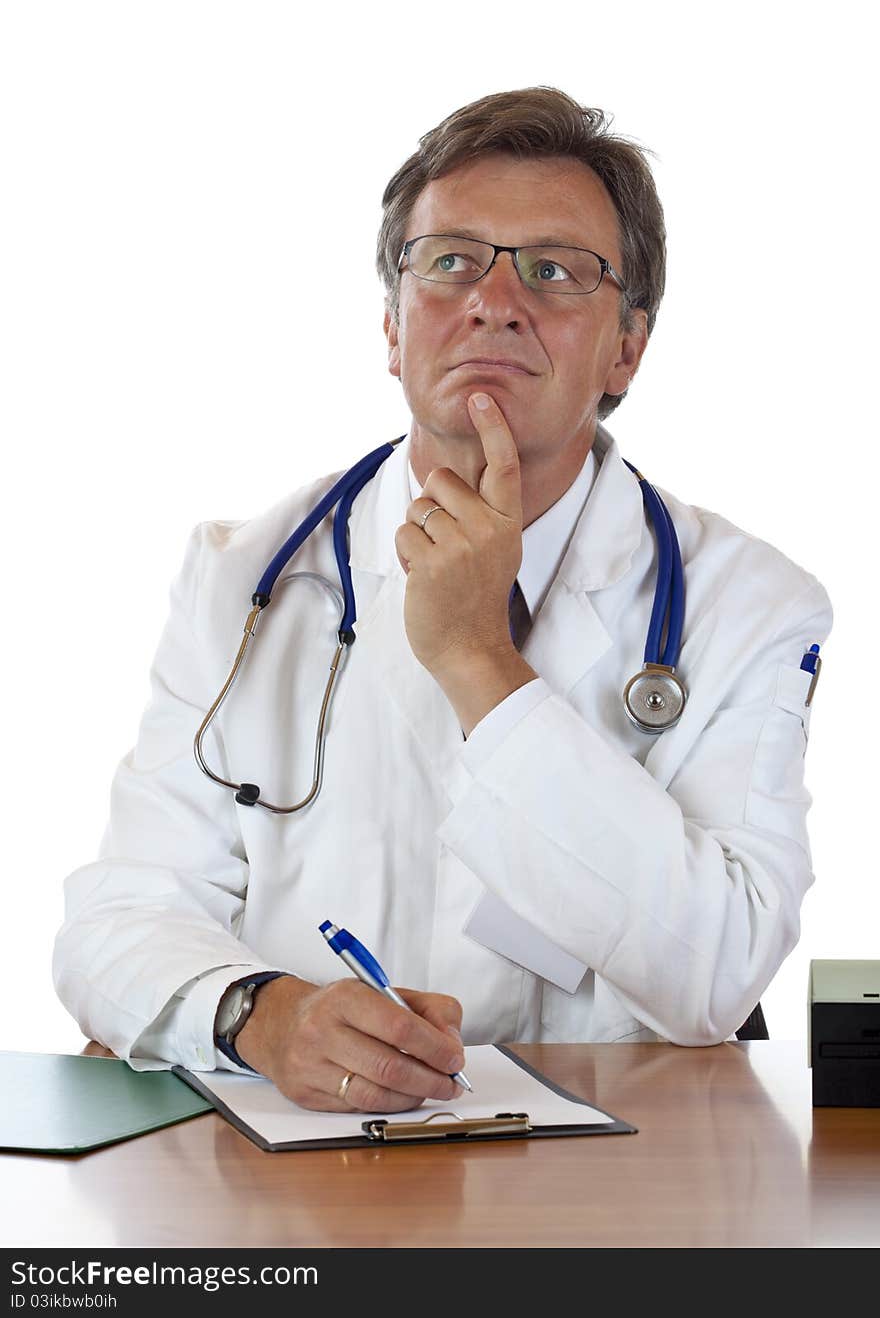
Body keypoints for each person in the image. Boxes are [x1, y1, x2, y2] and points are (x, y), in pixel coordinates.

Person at [53, 86, 833, 1115]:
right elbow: (116, 915)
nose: (495, 300)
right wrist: (256, 1010)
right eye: (452, 260)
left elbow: (716, 973)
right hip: (299, 1183)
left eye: (555, 271)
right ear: (392, 322)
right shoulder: (244, 573)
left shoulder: (749, 605)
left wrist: (481, 662)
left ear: (626, 350)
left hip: (610, 1187)